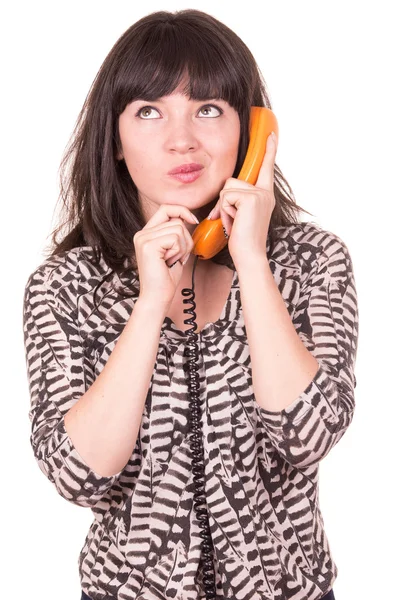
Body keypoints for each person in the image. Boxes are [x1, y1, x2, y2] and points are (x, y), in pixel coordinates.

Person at [22, 9, 358, 600]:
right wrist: (150, 303)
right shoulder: (67, 287)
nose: (182, 139)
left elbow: (308, 436)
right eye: (148, 111)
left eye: (208, 109)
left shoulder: (312, 262)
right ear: (116, 141)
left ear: (251, 134)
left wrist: (252, 261)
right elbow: (79, 475)